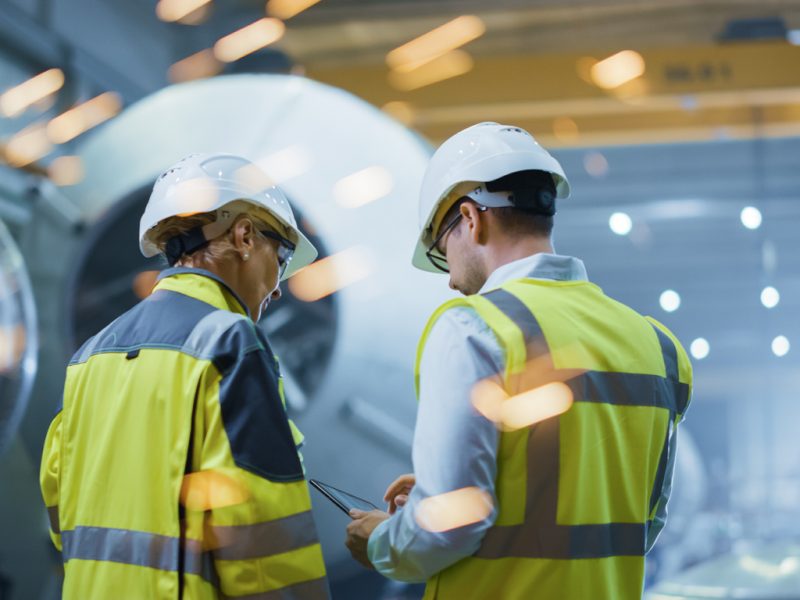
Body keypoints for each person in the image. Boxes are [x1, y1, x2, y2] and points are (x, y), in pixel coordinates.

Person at [345, 123, 692, 599]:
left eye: (443, 254)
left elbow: (452, 525)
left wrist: (383, 541)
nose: (449, 281)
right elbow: (637, 521)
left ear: (471, 218)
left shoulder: (475, 328)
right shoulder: (658, 346)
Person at [40, 153, 330, 599]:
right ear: (245, 235)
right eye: (283, 256)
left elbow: (61, 513)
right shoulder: (228, 343)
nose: (277, 286)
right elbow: (262, 545)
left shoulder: (89, 356)